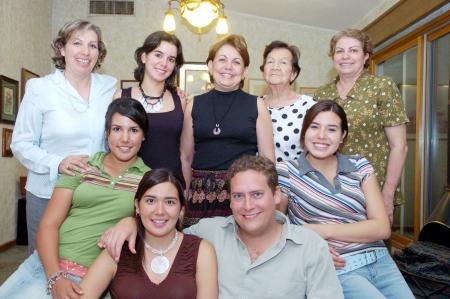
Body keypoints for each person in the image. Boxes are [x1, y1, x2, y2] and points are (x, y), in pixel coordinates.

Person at [99, 155, 343, 299]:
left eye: (257, 194)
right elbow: (163, 230)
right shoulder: (208, 234)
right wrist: (131, 220)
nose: (247, 206)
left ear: (276, 194)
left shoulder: (310, 247)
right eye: (238, 196)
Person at [0, 98, 150, 299]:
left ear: (143, 136)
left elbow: (159, 226)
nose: (125, 138)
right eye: (117, 129)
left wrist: (133, 222)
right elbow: (49, 224)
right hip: (47, 266)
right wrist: (55, 278)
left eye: (133, 130)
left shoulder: (149, 180)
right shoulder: (81, 166)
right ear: (106, 134)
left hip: (95, 277)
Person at [277, 100, 414, 298]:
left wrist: (319, 230)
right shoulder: (287, 171)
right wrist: (309, 247)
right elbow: (277, 227)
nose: (321, 136)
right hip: (339, 267)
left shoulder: (359, 165)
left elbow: (382, 228)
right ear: (304, 132)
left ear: (342, 136)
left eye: (331, 129)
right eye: (314, 127)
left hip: (381, 261)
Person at [11, 19, 117, 252]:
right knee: (43, 264)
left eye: (93, 45)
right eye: (77, 43)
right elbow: (20, 143)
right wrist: (57, 163)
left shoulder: (110, 86)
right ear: (62, 48)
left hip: (95, 194)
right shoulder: (40, 88)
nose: (85, 52)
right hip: (48, 192)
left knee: (89, 262)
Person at [313, 29, 408, 223]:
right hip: (329, 190)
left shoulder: (382, 87)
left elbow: (400, 147)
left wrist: (387, 197)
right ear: (333, 57)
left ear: (365, 56)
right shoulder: (321, 94)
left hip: (372, 191)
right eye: (339, 51)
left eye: (353, 50)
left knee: (370, 251)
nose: (345, 56)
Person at [180, 34, 275, 226]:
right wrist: (184, 196)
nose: (228, 67)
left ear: (245, 70)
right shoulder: (193, 104)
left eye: (236, 62)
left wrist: (265, 198)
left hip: (242, 194)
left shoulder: (257, 105)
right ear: (210, 65)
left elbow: (267, 159)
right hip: (199, 195)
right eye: (222, 60)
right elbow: (185, 157)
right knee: (198, 252)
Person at [79, 169, 218, 299]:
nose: (159, 211)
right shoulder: (118, 248)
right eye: (150, 201)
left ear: (181, 210)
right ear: (137, 206)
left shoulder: (202, 250)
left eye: (169, 202)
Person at [114, 31, 186, 186]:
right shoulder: (121, 96)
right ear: (144, 57)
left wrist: (185, 189)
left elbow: (185, 152)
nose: (164, 63)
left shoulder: (180, 99)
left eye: (171, 59)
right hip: (130, 184)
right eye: (158, 55)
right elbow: (112, 145)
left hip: (171, 185)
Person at [260, 40, 315, 162]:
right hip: (258, 179)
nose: (275, 67)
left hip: (295, 179)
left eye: (283, 62)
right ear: (264, 71)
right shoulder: (254, 105)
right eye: (270, 62)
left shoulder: (309, 106)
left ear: (293, 74)